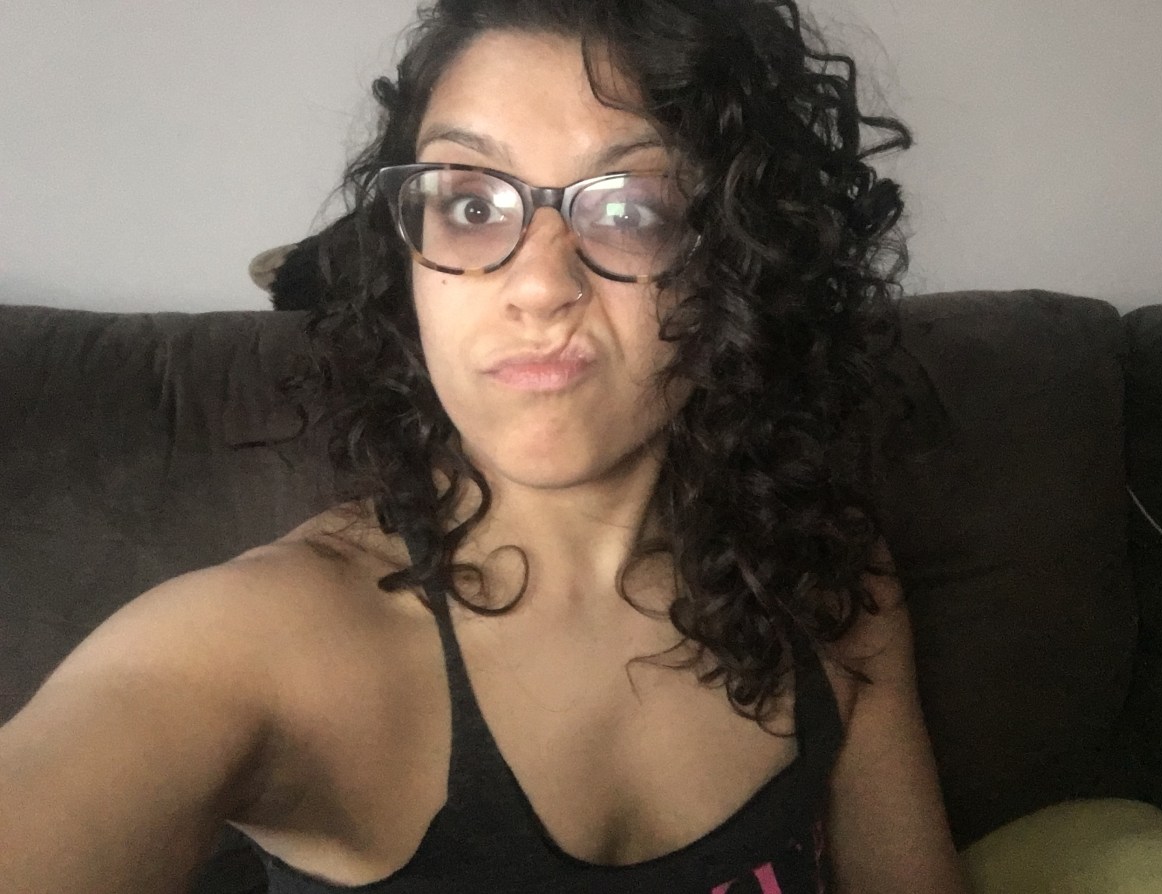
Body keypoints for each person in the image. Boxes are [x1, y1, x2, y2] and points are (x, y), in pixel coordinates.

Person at [0, 0, 967, 891]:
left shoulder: (832, 586)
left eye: (631, 208)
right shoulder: (256, 643)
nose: (538, 285)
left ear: (741, 260)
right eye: (470, 205)